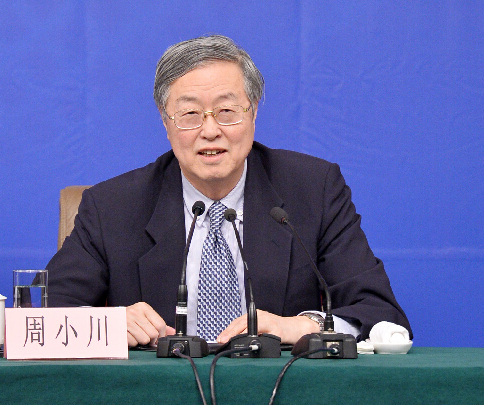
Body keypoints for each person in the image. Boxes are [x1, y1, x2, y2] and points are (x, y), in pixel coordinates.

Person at [46, 34, 412, 348]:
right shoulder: (112, 206)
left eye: (226, 111)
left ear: (253, 113)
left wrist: (302, 326)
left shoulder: (314, 191)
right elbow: (42, 318)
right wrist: (107, 325)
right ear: (165, 122)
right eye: (190, 114)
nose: (210, 131)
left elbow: (380, 315)